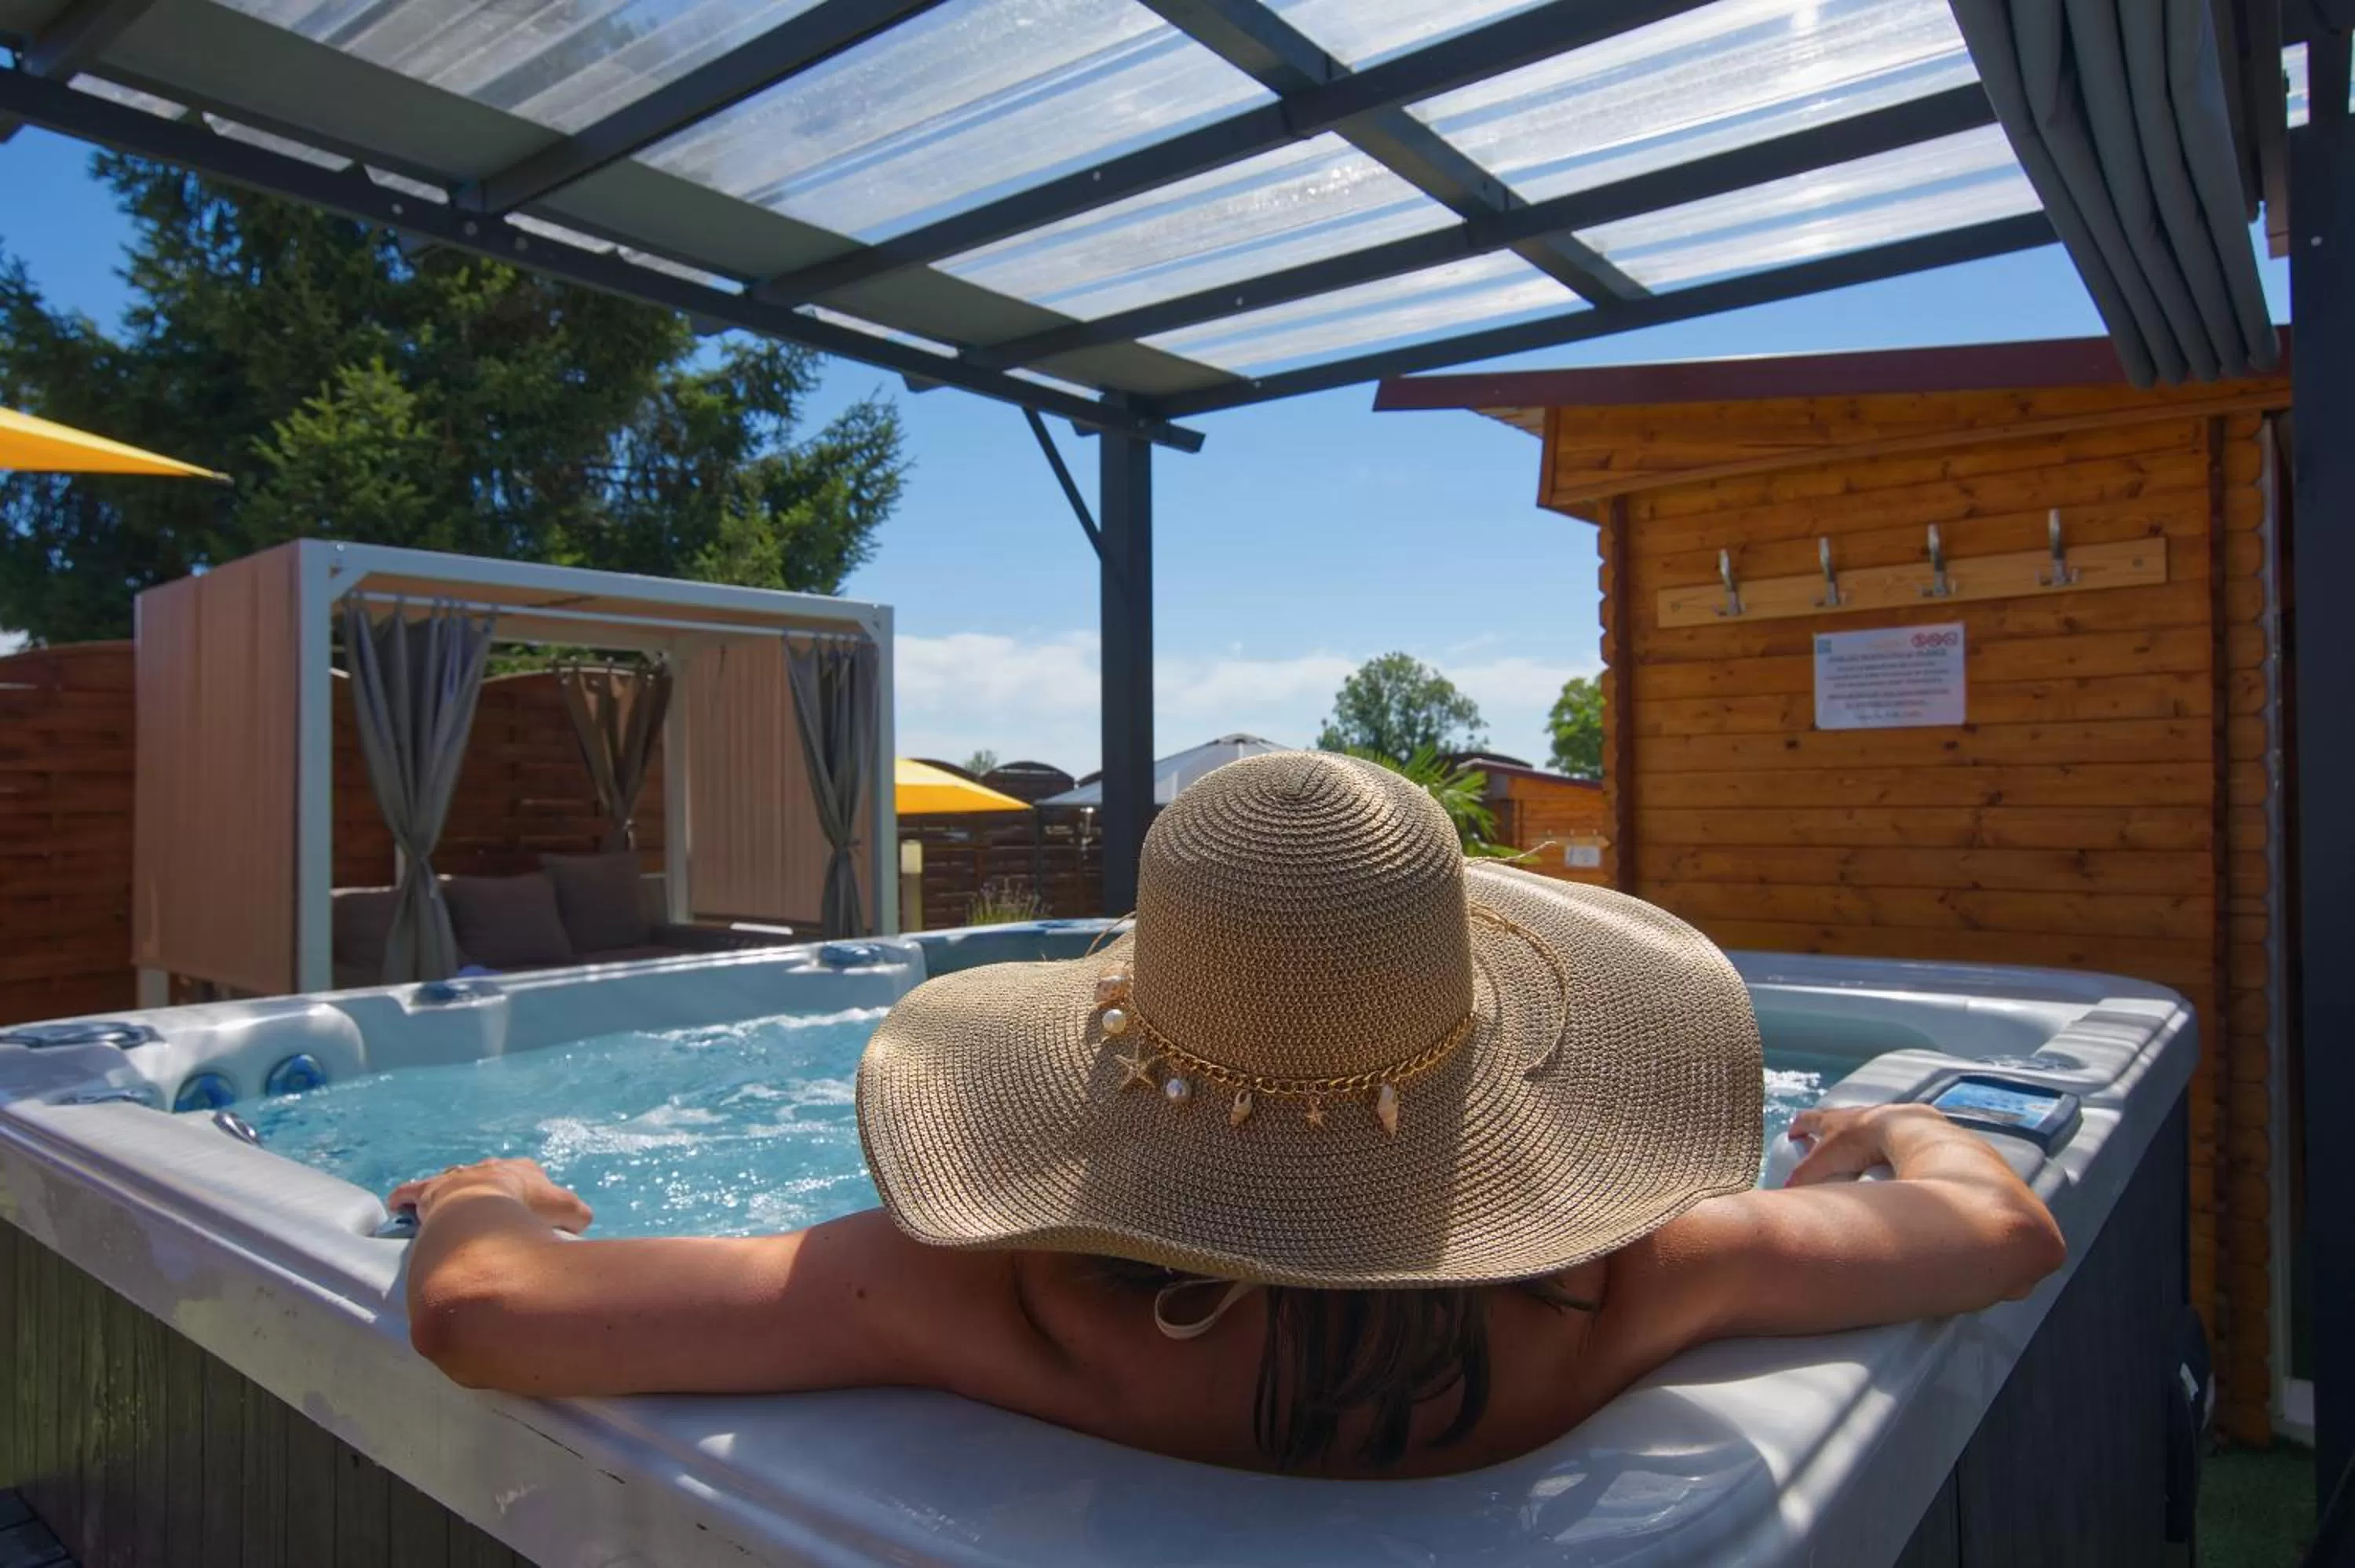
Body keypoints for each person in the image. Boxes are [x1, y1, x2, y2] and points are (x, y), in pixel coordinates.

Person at [393, 753, 2065, 1479]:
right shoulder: (1625, 1291)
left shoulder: (989, 1303)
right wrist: (1890, 1139)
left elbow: (479, 1317)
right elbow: (2002, 1227)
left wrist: (486, 1189)